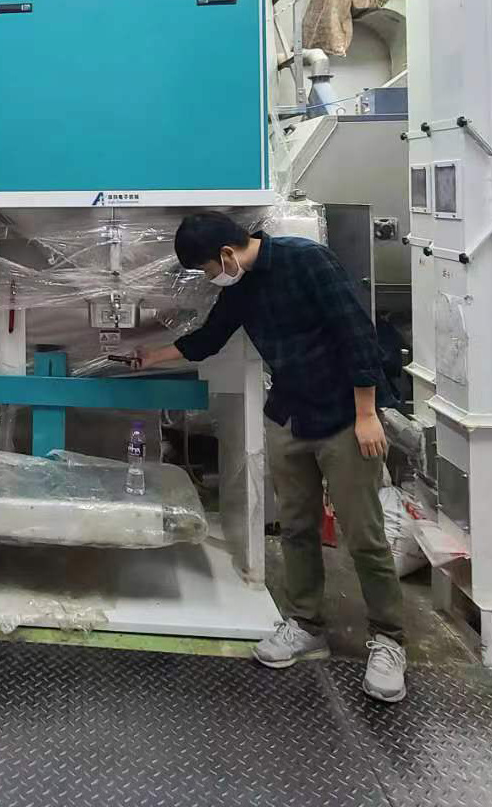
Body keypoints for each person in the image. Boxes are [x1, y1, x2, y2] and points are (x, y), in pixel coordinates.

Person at [135, 210, 407, 703]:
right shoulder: (240, 289)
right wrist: (150, 356)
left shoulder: (309, 261)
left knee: (364, 534)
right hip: (288, 415)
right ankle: (305, 624)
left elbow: (357, 333)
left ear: (226, 254)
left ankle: (389, 639)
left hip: (344, 415)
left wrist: (367, 412)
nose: (210, 278)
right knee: (297, 526)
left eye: (207, 269)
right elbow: (209, 339)